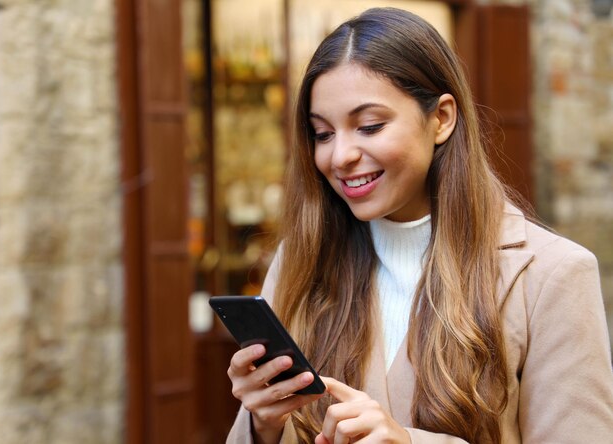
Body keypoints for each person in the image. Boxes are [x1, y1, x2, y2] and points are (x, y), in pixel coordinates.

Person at [224, 7, 613, 444]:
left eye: (369, 126)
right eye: (323, 133)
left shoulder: (552, 275)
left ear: (442, 119)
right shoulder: (301, 261)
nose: (339, 156)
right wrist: (262, 423)